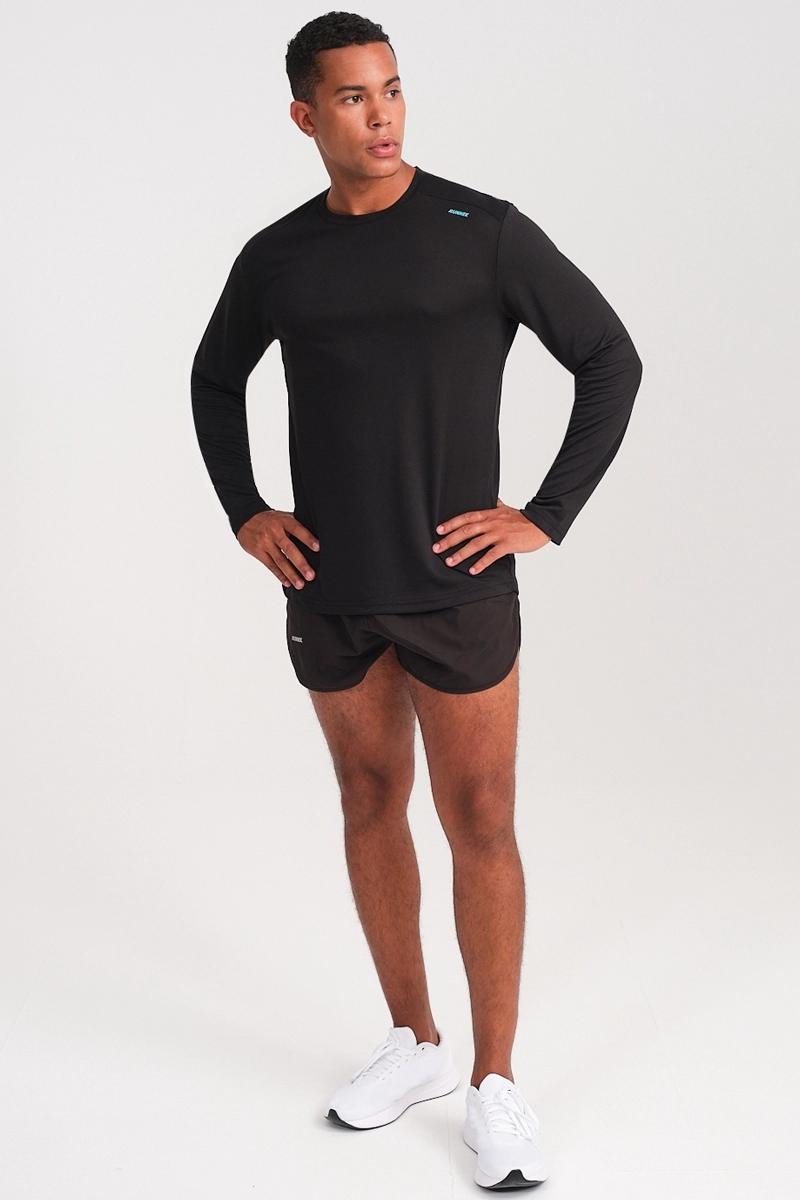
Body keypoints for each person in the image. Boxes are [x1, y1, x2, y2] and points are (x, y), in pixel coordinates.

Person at [191, 11, 642, 1191]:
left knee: (479, 817)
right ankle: (415, 1043)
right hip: (330, 586)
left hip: (455, 588)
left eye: (390, 89)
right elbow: (213, 377)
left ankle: (493, 1082)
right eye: (351, 97)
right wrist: (246, 510)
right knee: (367, 798)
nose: (380, 114)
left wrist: (543, 512)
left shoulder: (480, 232)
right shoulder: (277, 257)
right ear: (306, 116)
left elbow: (608, 357)